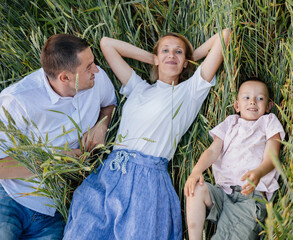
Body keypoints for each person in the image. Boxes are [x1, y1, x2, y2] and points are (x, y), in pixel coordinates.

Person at [63, 29, 230, 240]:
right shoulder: (137, 87)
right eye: (165, 51)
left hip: (148, 179)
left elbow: (224, 35)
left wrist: (190, 57)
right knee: (84, 232)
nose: (171, 55)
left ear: (185, 62)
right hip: (111, 172)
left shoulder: (190, 91)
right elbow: (107, 44)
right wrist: (155, 58)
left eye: (178, 52)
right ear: (156, 58)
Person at [0, 34, 117, 239]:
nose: (96, 70)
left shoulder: (96, 81)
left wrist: (101, 125)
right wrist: (61, 160)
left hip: (53, 209)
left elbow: (109, 104)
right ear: (65, 77)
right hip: (10, 199)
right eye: (88, 67)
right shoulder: (17, 102)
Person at [184, 79, 285, 240]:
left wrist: (258, 173)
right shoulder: (230, 123)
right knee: (195, 188)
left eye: (259, 98)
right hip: (223, 192)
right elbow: (212, 151)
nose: (252, 101)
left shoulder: (269, 122)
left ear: (268, 106)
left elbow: (272, 157)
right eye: (246, 98)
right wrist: (196, 171)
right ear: (237, 106)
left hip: (251, 197)